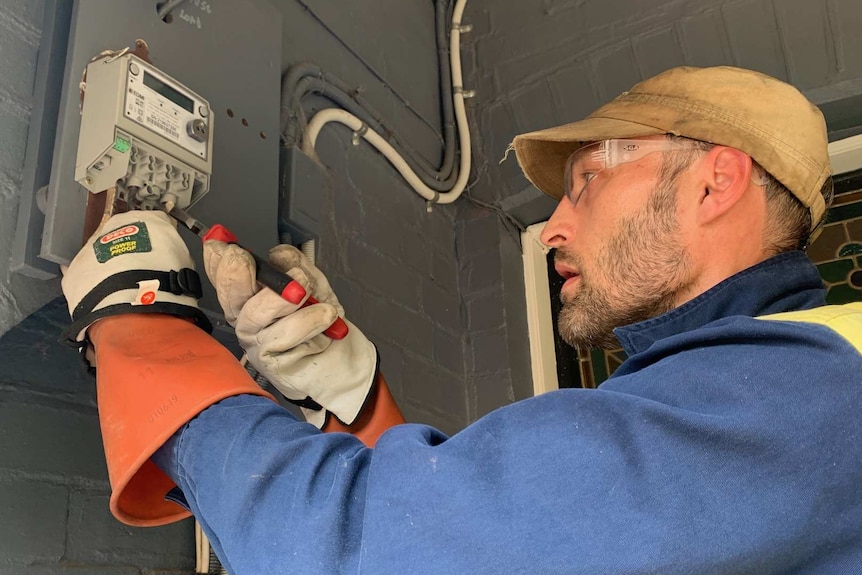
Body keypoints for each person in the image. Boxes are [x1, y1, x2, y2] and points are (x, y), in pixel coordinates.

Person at [60, 65, 862, 574]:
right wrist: (354, 400)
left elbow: (369, 556)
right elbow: (471, 539)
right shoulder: (763, 398)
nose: (552, 227)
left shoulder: (799, 405)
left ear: (715, 184)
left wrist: (147, 328)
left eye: (584, 183)